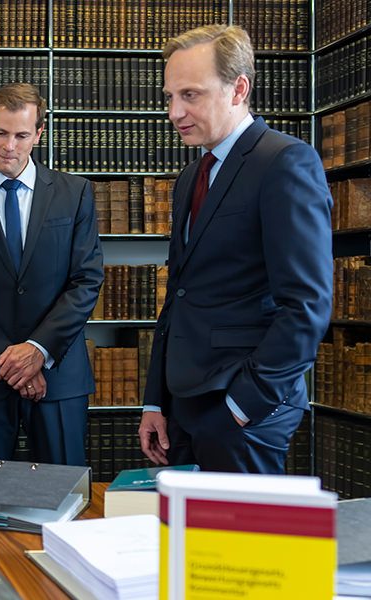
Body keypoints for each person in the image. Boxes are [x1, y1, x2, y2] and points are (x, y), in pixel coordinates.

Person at [138, 25, 333, 473]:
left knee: (242, 545)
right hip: (184, 408)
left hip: (242, 412)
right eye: (169, 96)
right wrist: (156, 401)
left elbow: (306, 306)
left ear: (238, 88)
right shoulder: (192, 176)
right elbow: (179, 298)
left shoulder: (286, 162)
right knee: (188, 544)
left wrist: (243, 407)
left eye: (190, 95)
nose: (174, 111)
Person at [0, 83, 104, 466]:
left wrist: (37, 353)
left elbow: (86, 281)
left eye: (22, 135)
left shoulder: (74, 193)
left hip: (58, 378)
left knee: (63, 501)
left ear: (39, 134)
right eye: (1, 133)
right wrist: (7, 361)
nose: (9, 146)